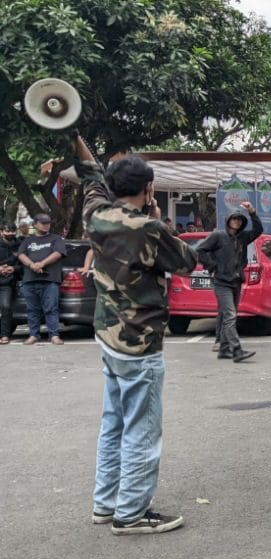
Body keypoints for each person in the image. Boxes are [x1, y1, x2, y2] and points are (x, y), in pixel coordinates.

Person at [77, 147, 197, 535]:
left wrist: (75, 136)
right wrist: (158, 220)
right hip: (139, 342)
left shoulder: (95, 215)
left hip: (107, 336)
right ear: (149, 189)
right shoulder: (147, 228)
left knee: (113, 423)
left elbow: (90, 176)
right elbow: (186, 261)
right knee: (142, 430)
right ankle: (129, 514)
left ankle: (105, 504)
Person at [197, 202, 262, 363]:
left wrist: (252, 212)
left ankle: (224, 349)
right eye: (233, 219)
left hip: (236, 281)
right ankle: (237, 350)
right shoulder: (218, 236)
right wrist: (213, 266)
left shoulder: (243, 237)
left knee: (228, 315)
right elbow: (200, 250)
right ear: (228, 220)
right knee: (230, 315)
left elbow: (258, 230)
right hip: (221, 282)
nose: (237, 221)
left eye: (239, 219)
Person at [17, 214, 66, 345]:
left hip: (50, 280)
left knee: (51, 308)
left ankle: (54, 335)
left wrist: (42, 263)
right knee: (32, 309)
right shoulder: (28, 240)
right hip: (30, 280)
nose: (46, 225)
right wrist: (32, 265)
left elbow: (57, 253)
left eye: (48, 222)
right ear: (35, 224)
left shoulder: (56, 239)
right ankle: (33, 335)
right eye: (43, 222)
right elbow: (21, 255)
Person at [0, 222, 21, 345]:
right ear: (1, 232)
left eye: (13, 231)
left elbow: (23, 264)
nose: (11, 234)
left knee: (6, 307)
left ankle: (4, 335)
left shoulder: (19, 246)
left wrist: (13, 269)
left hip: (7, 283)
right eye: (8, 231)